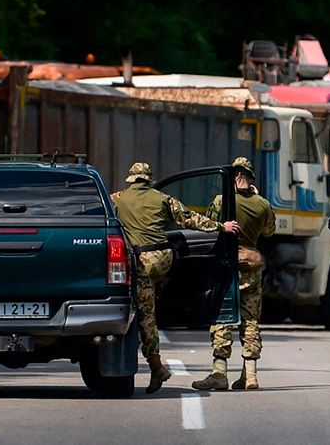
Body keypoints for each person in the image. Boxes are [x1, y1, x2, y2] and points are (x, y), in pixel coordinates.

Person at [110, 161, 238, 394]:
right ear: (148, 179)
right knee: (149, 299)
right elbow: (190, 219)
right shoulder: (162, 198)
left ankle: (157, 366)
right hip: (163, 257)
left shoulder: (117, 199)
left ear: (130, 179)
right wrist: (222, 226)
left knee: (145, 315)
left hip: (141, 260)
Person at [192, 156, 275, 392]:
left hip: (227, 267)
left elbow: (209, 225)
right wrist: (259, 199)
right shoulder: (262, 205)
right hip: (251, 267)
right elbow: (269, 231)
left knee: (222, 317)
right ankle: (250, 376)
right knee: (250, 319)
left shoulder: (221, 201)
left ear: (231, 176)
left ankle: (219, 374)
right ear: (251, 178)